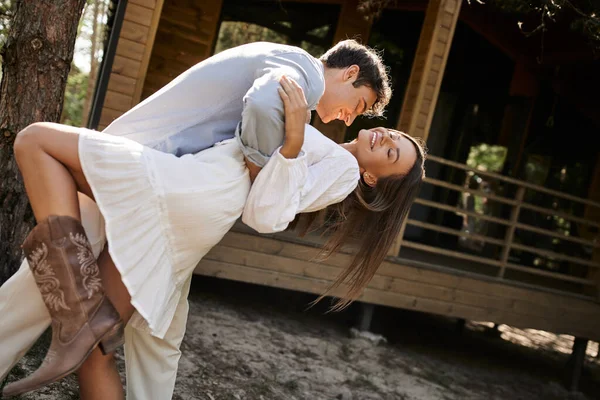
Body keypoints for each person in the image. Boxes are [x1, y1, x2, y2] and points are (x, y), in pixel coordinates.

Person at [1, 75, 425, 399]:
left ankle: (70, 301)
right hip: (187, 199)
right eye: (395, 136)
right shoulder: (335, 156)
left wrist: (293, 139)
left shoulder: (344, 171)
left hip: (187, 199)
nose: (387, 138)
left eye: (391, 153)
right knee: (94, 348)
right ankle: (73, 303)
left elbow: (266, 213)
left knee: (39, 143)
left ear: (372, 177)